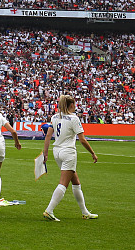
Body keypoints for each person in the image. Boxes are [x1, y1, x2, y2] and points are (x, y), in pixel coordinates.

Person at [41, 94, 98, 222]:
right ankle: (49, 210)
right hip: (68, 152)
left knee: (76, 182)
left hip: (57, 152)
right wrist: (92, 153)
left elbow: (48, 136)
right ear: (71, 105)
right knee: (63, 184)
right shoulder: (74, 118)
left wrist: (45, 153)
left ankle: (85, 212)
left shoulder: (55, 117)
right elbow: (82, 140)